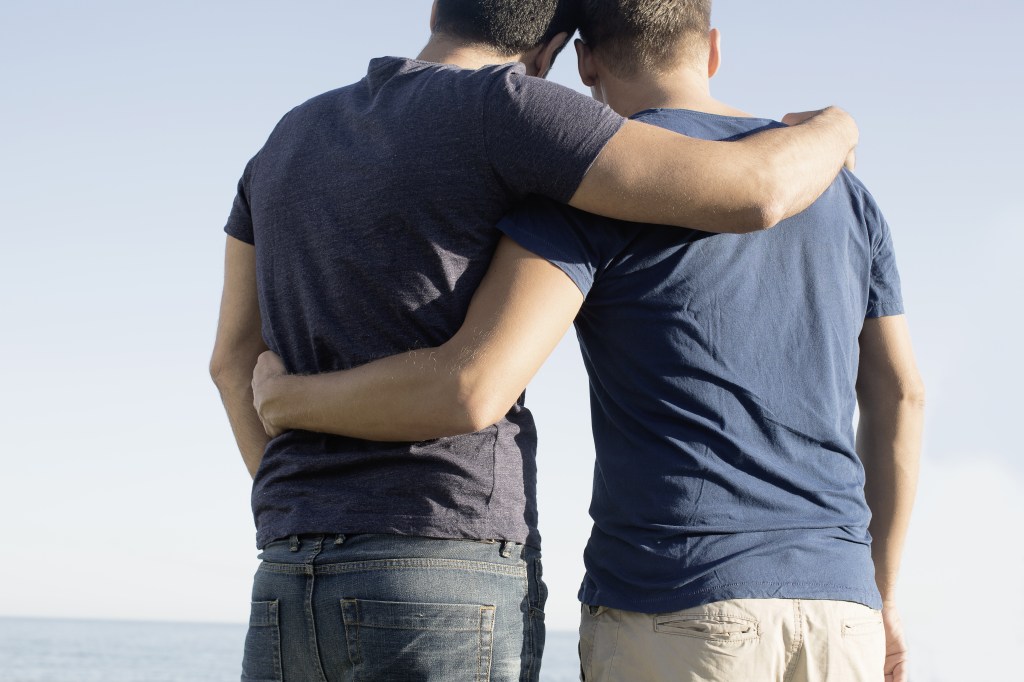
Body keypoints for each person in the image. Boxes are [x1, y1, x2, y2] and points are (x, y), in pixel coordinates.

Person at [249, 1, 923, 681]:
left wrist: (289, 405)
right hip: (843, 610)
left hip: (674, 602)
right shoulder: (843, 193)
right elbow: (902, 395)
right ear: (712, 48)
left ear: (584, 60)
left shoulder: (591, 194)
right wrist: (883, 594)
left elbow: (474, 381)